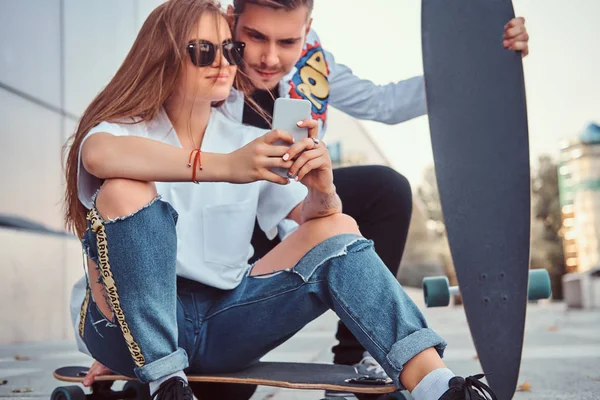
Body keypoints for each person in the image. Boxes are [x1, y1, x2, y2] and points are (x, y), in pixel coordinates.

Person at [64, 0, 500, 399]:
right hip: (129, 322)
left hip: (220, 323)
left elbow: (320, 215)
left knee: (339, 226)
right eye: (204, 51)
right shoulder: (128, 129)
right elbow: (98, 153)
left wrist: (322, 188)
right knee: (126, 187)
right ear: (165, 53)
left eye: (228, 51)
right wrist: (225, 166)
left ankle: (435, 383)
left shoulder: (253, 135)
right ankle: (163, 379)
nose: (223, 63)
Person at [223, 0, 531, 387]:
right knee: (224, 390)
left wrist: (484, 58)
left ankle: (357, 359)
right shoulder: (203, 49)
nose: (269, 58)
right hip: (218, 217)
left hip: (290, 204)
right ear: (232, 20)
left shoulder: (313, 59)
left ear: (307, 28)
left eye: (287, 40)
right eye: (255, 38)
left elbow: (383, 102)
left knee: (386, 189)